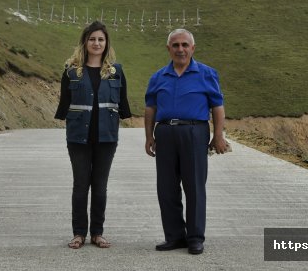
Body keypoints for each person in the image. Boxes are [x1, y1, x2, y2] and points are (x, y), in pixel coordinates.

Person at [144, 28, 228, 255]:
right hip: (165, 134)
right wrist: (149, 136)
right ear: (168, 49)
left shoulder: (207, 74)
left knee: (194, 188)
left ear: (193, 48)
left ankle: (195, 238)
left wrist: (218, 136)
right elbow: (150, 108)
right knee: (166, 188)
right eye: (175, 45)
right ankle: (174, 237)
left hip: (195, 132)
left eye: (184, 45)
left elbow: (217, 107)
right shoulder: (158, 77)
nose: (180, 49)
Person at [55, 21, 132, 249]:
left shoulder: (116, 72)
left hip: (106, 138)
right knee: (80, 185)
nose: (96, 43)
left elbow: (123, 106)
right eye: (92, 39)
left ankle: (97, 233)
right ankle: (79, 233)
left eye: (100, 39)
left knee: (100, 186)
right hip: (78, 139)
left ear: (106, 43)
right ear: (85, 42)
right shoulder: (71, 72)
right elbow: (64, 105)